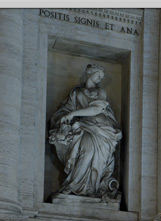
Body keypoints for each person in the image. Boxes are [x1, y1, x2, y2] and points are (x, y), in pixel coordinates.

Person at [49, 64, 122, 198]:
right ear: (89, 73)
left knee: (94, 154)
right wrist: (63, 117)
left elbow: (97, 109)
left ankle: (91, 188)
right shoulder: (76, 92)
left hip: (101, 129)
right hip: (83, 127)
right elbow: (65, 110)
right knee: (86, 151)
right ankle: (75, 185)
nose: (100, 78)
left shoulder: (100, 92)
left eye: (102, 76)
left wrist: (72, 114)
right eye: (98, 75)